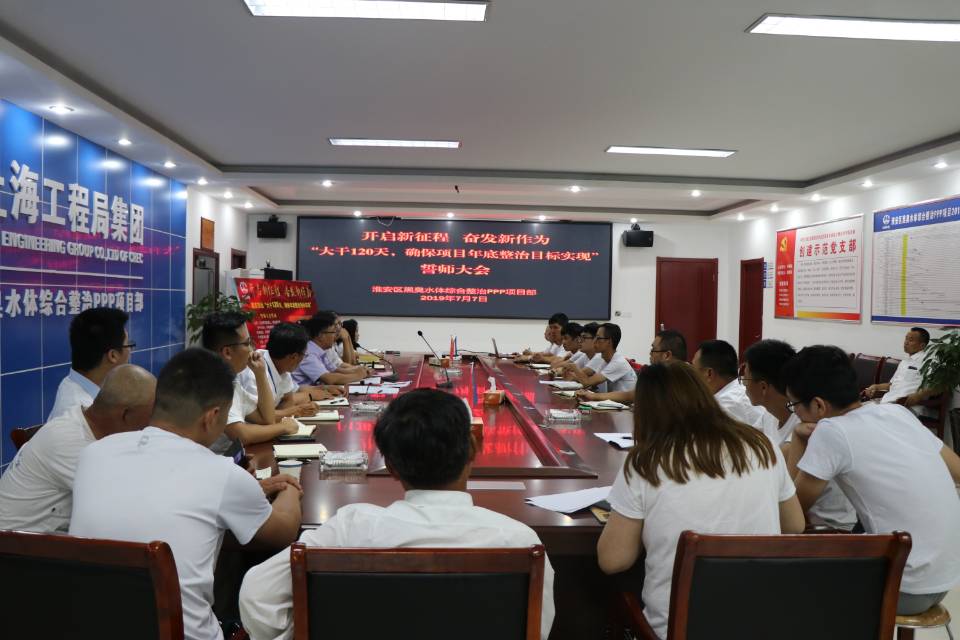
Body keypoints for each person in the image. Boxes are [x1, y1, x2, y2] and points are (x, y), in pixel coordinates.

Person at [238, 388, 556, 640]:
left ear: (390, 467)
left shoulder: (350, 529)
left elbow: (257, 594)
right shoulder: (519, 541)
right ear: (473, 449)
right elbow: (535, 629)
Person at [70, 348, 303, 640]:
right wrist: (290, 486)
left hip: (89, 627)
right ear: (212, 417)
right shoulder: (221, 473)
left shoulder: (94, 453)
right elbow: (284, 531)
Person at [598, 362, 803, 640]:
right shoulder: (762, 446)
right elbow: (794, 525)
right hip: (761, 623)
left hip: (677, 629)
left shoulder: (646, 461)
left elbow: (612, 560)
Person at [782, 345, 960, 614]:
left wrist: (797, 437)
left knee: (789, 578)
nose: (794, 412)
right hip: (945, 576)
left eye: (793, 405)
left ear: (818, 405)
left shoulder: (832, 431)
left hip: (903, 587)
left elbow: (793, 519)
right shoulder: (896, 412)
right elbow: (957, 470)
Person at [0, 365, 155, 533]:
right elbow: (126, 506)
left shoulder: (88, 419)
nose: (152, 424)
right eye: (151, 415)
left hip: (42, 538)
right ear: (125, 415)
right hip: (14, 543)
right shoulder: (71, 443)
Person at [741, 340, 856, 531]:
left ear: (763, 387)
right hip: (798, 521)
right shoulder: (771, 415)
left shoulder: (813, 425)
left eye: (745, 380)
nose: (743, 387)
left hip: (826, 530)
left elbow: (788, 506)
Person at [202, 312, 298, 455]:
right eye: (247, 343)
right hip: (211, 462)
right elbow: (241, 435)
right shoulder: (212, 383)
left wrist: (260, 374)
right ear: (227, 352)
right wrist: (283, 427)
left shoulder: (231, 381)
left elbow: (267, 418)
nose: (252, 350)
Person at [47, 307, 134, 420]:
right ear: (113, 355)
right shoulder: (84, 413)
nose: (130, 351)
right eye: (129, 345)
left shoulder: (72, 381)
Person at [238, 322, 335, 417]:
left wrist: (294, 411)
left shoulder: (283, 367)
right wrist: (296, 411)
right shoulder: (254, 370)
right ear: (294, 357)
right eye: (304, 355)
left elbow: (287, 400)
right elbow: (258, 416)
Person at [692, 339, 776, 441]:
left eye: (693, 370)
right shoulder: (734, 390)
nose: (691, 377)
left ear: (709, 373)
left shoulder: (726, 404)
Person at [577, 328, 687, 403]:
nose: (650, 353)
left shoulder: (682, 382)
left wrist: (593, 395)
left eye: (653, 349)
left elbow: (630, 396)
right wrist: (593, 395)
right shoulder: (658, 374)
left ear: (667, 355)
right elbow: (630, 395)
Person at [862, 327, 934, 411]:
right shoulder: (904, 361)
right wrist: (876, 387)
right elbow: (891, 385)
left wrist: (918, 396)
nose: (906, 342)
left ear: (922, 345)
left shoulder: (928, 362)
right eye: (906, 338)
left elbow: (936, 386)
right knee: (856, 411)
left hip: (905, 407)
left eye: (910, 340)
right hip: (887, 402)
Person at [293, 311, 372, 387]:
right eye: (333, 332)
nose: (336, 335)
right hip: (304, 393)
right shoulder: (308, 353)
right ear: (320, 335)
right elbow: (329, 379)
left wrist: (358, 370)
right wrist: (358, 375)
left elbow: (335, 370)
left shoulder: (321, 351)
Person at [567, 323, 636, 398]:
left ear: (609, 342)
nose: (594, 341)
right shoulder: (604, 359)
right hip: (612, 402)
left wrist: (575, 368)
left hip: (625, 404)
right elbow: (592, 383)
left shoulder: (618, 362)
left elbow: (587, 382)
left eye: (598, 338)